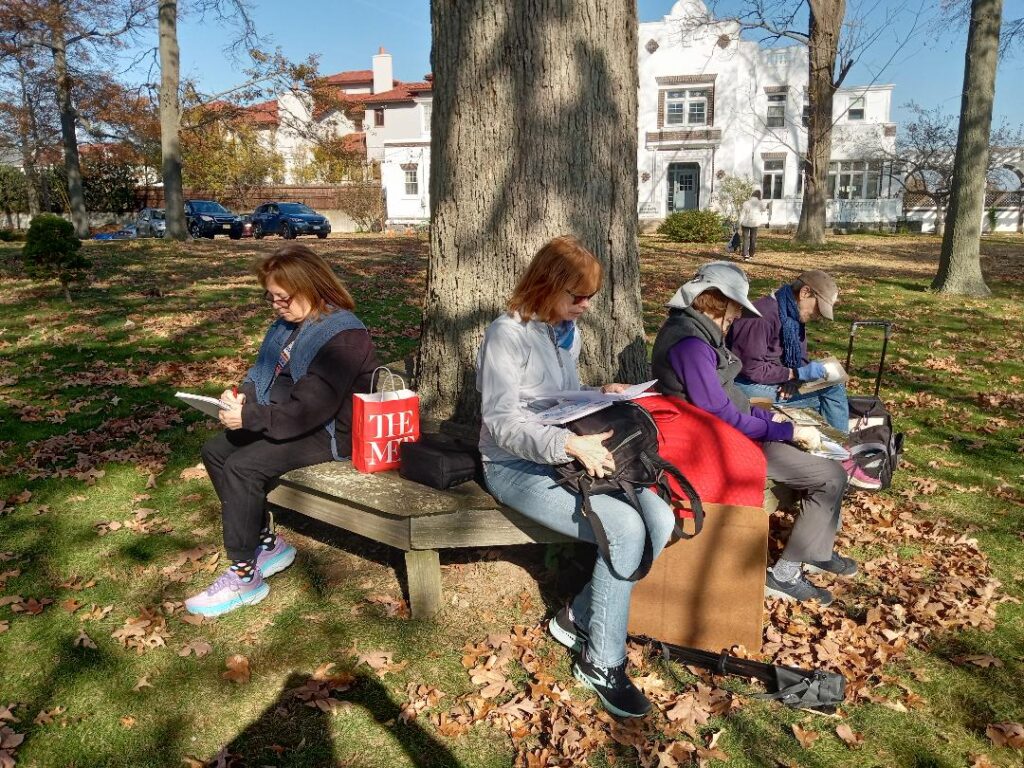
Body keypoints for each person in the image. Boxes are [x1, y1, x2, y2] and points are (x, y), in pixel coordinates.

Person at [477, 235, 676, 719]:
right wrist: (568, 445)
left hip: (567, 453)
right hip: (513, 463)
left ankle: (576, 616)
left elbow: (556, 399)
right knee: (625, 529)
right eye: (577, 296)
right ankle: (600, 662)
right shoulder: (507, 334)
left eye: (590, 296)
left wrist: (598, 391)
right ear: (547, 286)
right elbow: (503, 423)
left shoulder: (563, 330)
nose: (586, 305)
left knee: (662, 519)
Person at [185, 244, 380, 617]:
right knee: (216, 450)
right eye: (270, 297)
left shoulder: (344, 336)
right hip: (286, 417)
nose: (275, 305)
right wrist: (239, 398)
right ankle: (267, 544)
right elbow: (263, 376)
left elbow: (311, 408)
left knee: (244, 465)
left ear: (311, 286)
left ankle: (245, 576)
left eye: (282, 297)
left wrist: (252, 419)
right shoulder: (287, 327)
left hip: (330, 432)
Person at [651, 261, 854, 606]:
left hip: (725, 437)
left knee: (827, 466)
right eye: (734, 310)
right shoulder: (691, 344)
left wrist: (772, 420)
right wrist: (784, 429)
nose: (736, 318)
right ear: (717, 300)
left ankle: (813, 552)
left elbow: (728, 403)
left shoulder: (697, 335)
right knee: (830, 474)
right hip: (714, 447)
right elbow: (720, 413)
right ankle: (785, 576)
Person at [725, 271, 878, 491]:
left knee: (832, 387)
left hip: (775, 381)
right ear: (805, 292)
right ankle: (840, 458)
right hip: (745, 387)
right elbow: (750, 369)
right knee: (831, 394)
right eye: (817, 308)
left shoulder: (791, 317)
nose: (817, 316)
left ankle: (835, 453)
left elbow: (799, 358)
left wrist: (794, 379)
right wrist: (793, 374)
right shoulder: (762, 316)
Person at [738, 189, 766, 261]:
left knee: (745, 239)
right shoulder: (760, 203)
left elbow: (742, 214)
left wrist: (739, 223)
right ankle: (751, 254)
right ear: (759, 196)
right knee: (753, 239)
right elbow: (763, 209)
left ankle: (745, 255)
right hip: (755, 223)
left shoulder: (746, 203)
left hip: (745, 223)